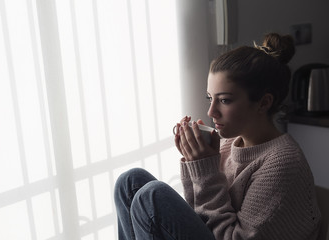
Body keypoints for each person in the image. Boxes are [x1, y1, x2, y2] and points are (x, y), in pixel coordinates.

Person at [114, 33, 321, 240]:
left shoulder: (282, 163)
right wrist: (193, 162)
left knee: (152, 195)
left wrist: (205, 169)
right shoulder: (228, 144)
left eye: (224, 100)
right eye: (210, 98)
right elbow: (199, 213)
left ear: (264, 103)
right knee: (130, 181)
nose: (211, 112)